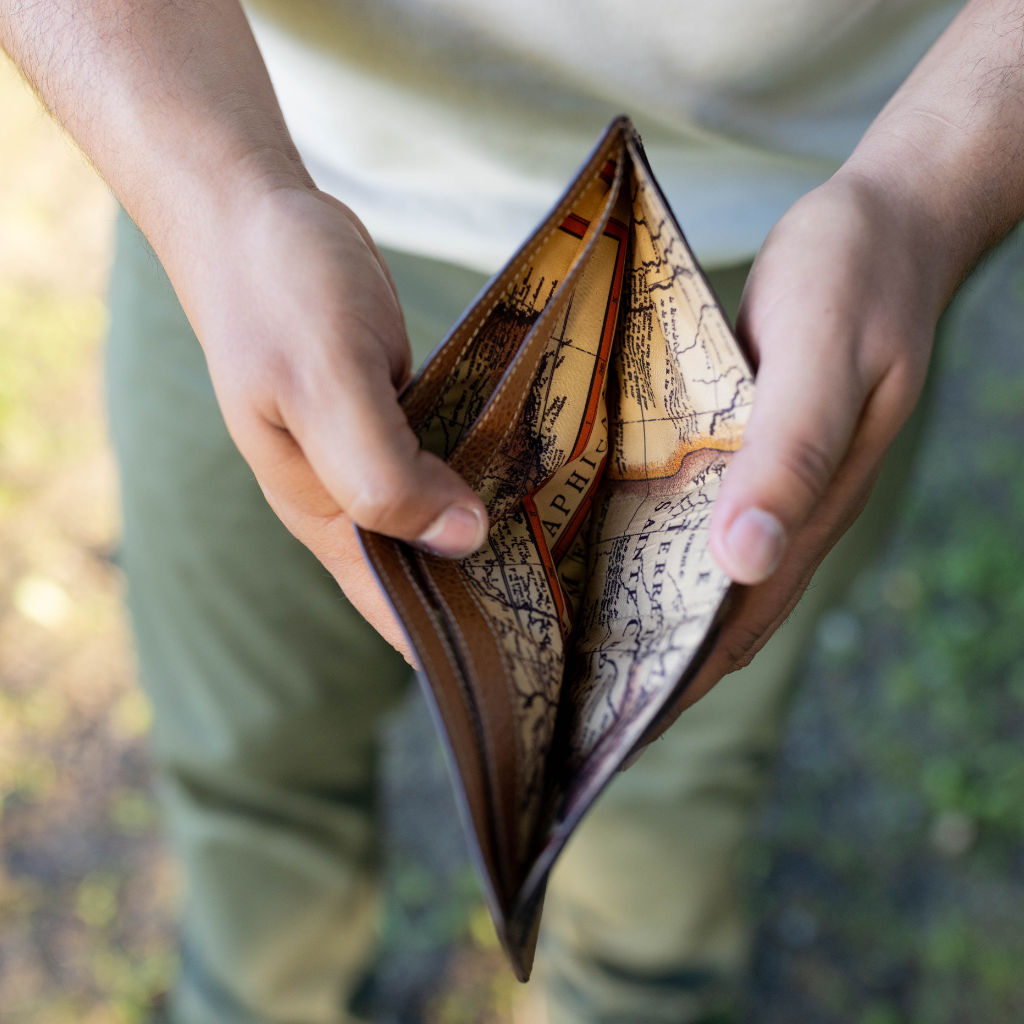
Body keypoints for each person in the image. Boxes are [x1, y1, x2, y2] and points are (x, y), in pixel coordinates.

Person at [3, 0, 1023, 1021]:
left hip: (789, 260)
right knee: (248, 750)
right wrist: (215, 196)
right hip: (249, 180)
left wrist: (923, 193)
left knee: (664, 796)